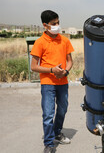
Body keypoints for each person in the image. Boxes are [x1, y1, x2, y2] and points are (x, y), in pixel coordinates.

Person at [31, 10, 74, 153]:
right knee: (49, 114)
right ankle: (49, 143)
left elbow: (69, 61)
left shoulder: (65, 40)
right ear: (45, 25)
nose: (57, 25)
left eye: (58, 22)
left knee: (62, 110)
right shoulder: (39, 43)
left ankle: (57, 132)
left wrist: (66, 71)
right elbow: (34, 66)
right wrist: (52, 70)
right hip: (48, 84)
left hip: (63, 82)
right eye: (53, 23)